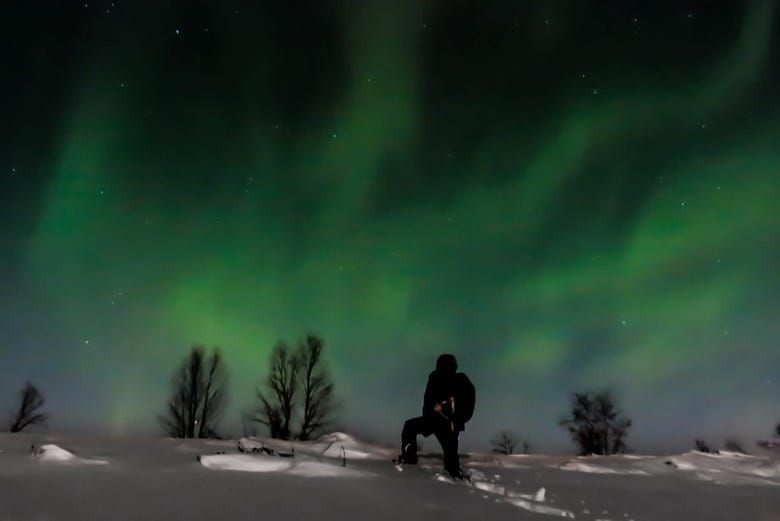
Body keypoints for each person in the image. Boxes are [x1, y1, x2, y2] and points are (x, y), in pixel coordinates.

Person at [397, 354, 475, 479]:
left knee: (451, 455)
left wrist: (454, 417)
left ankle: (455, 477)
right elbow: (429, 401)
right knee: (410, 427)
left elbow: (467, 405)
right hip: (432, 421)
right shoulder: (434, 378)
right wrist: (430, 414)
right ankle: (409, 460)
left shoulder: (460, 381)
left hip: (449, 424)